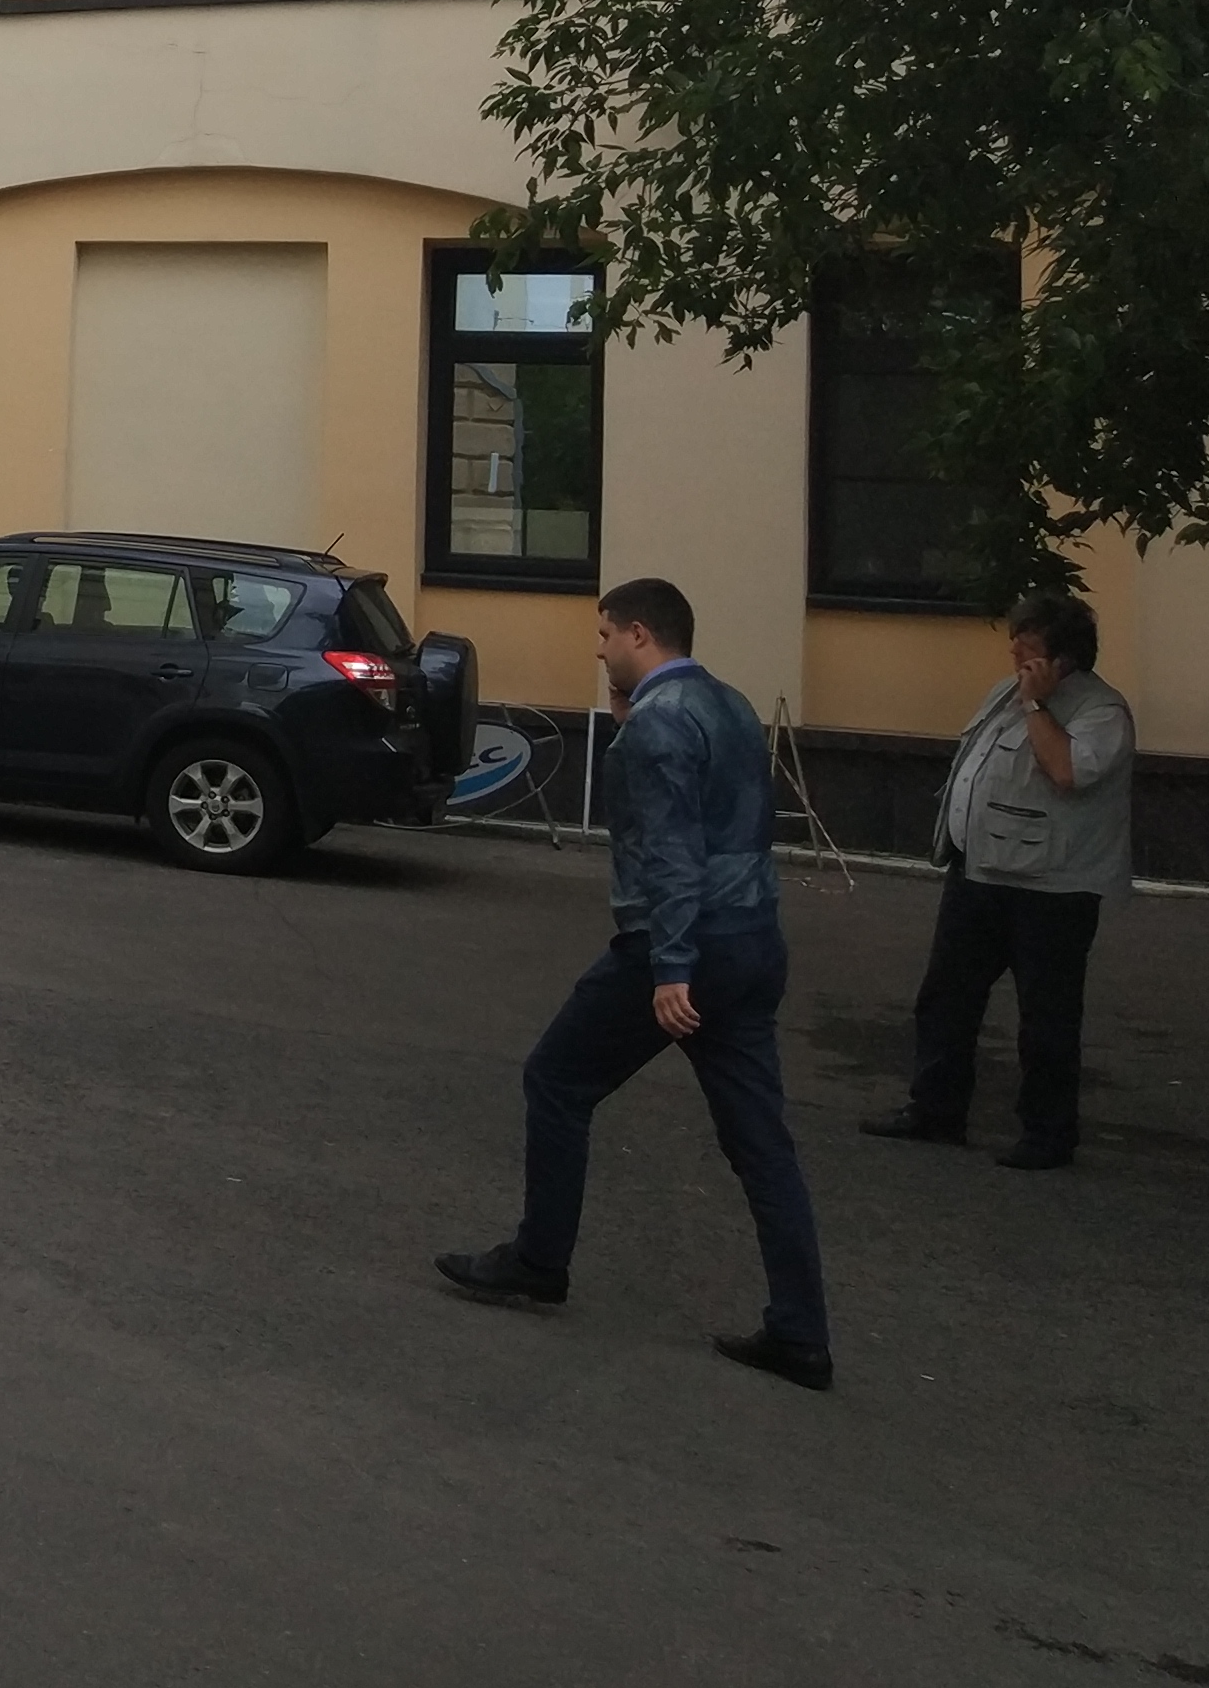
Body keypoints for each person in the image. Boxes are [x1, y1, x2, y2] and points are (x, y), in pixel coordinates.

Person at [437, 577, 834, 1390]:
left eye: (605, 634)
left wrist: (671, 966)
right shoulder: (726, 704)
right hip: (753, 939)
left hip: (683, 945)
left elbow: (674, 852)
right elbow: (729, 818)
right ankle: (801, 1332)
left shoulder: (658, 723)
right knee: (762, 1146)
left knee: (557, 1078)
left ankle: (540, 1260)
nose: (598, 649)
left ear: (641, 635)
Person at [864, 593, 1135, 1170]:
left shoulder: (1101, 711)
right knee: (945, 998)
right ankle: (935, 1110)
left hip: (1053, 889)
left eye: (1028, 649)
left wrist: (1037, 706)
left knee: (1047, 1016)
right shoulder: (1003, 694)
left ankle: (1048, 1134)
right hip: (979, 872)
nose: (1014, 654)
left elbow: (1066, 771)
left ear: (1063, 660)